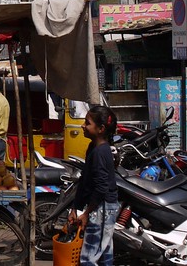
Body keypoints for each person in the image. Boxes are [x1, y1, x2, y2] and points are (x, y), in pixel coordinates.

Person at [70, 105, 118, 266]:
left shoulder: (100, 153)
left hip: (103, 208)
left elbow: (101, 187)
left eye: (87, 123)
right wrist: (76, 208)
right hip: (100, 207)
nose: (83, 125)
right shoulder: (93, 148)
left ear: (101, 129)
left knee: (88, 259)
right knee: (104, 257)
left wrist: (86, 213)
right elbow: (85, 180)